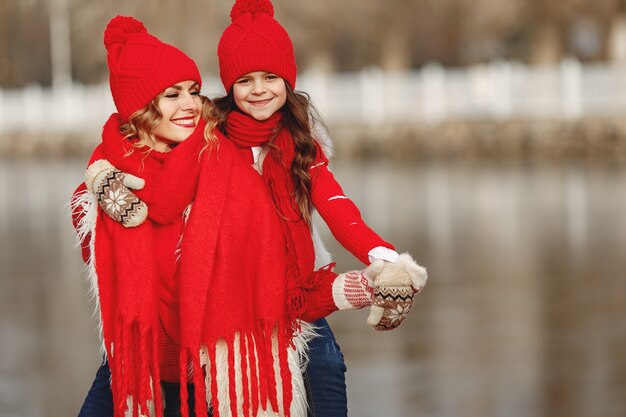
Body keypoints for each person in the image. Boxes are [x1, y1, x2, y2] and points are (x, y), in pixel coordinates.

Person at [73, 14, 419, 417]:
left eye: (270, 77)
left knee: (324, 366)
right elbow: (133, 141)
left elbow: (338, 208)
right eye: (244, 81)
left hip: (290, 287)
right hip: (208, 302)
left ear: (288, 80)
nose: (258, 91)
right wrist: (98, 175)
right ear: (229, 86)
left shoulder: (300, 144)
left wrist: (385, 259)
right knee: (124, 376)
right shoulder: (209, 137)